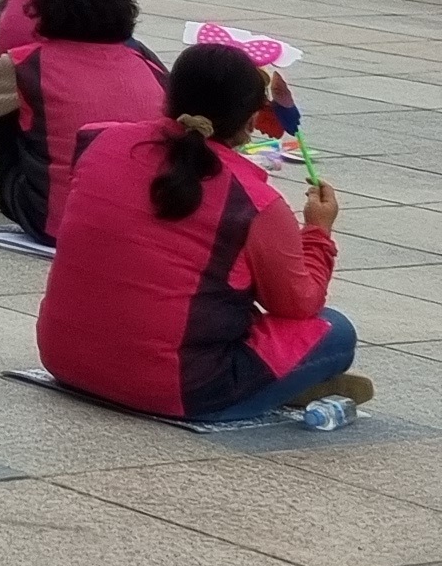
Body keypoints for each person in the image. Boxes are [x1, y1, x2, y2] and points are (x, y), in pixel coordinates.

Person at [34, 38, 365, 426]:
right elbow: (297, 304)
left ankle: (274, 382)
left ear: (168, 96)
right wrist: (318, 231)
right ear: (251, 121)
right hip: (176, 387)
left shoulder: (98, 140)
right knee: (335, 330)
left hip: (65, 357)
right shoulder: (255, 202)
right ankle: (276, 384)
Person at [0, 0, 167, 245]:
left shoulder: (26, 63)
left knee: (2, 113)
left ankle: (2, 195)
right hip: (141, 220)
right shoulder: (147, 62)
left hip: (53, 220)